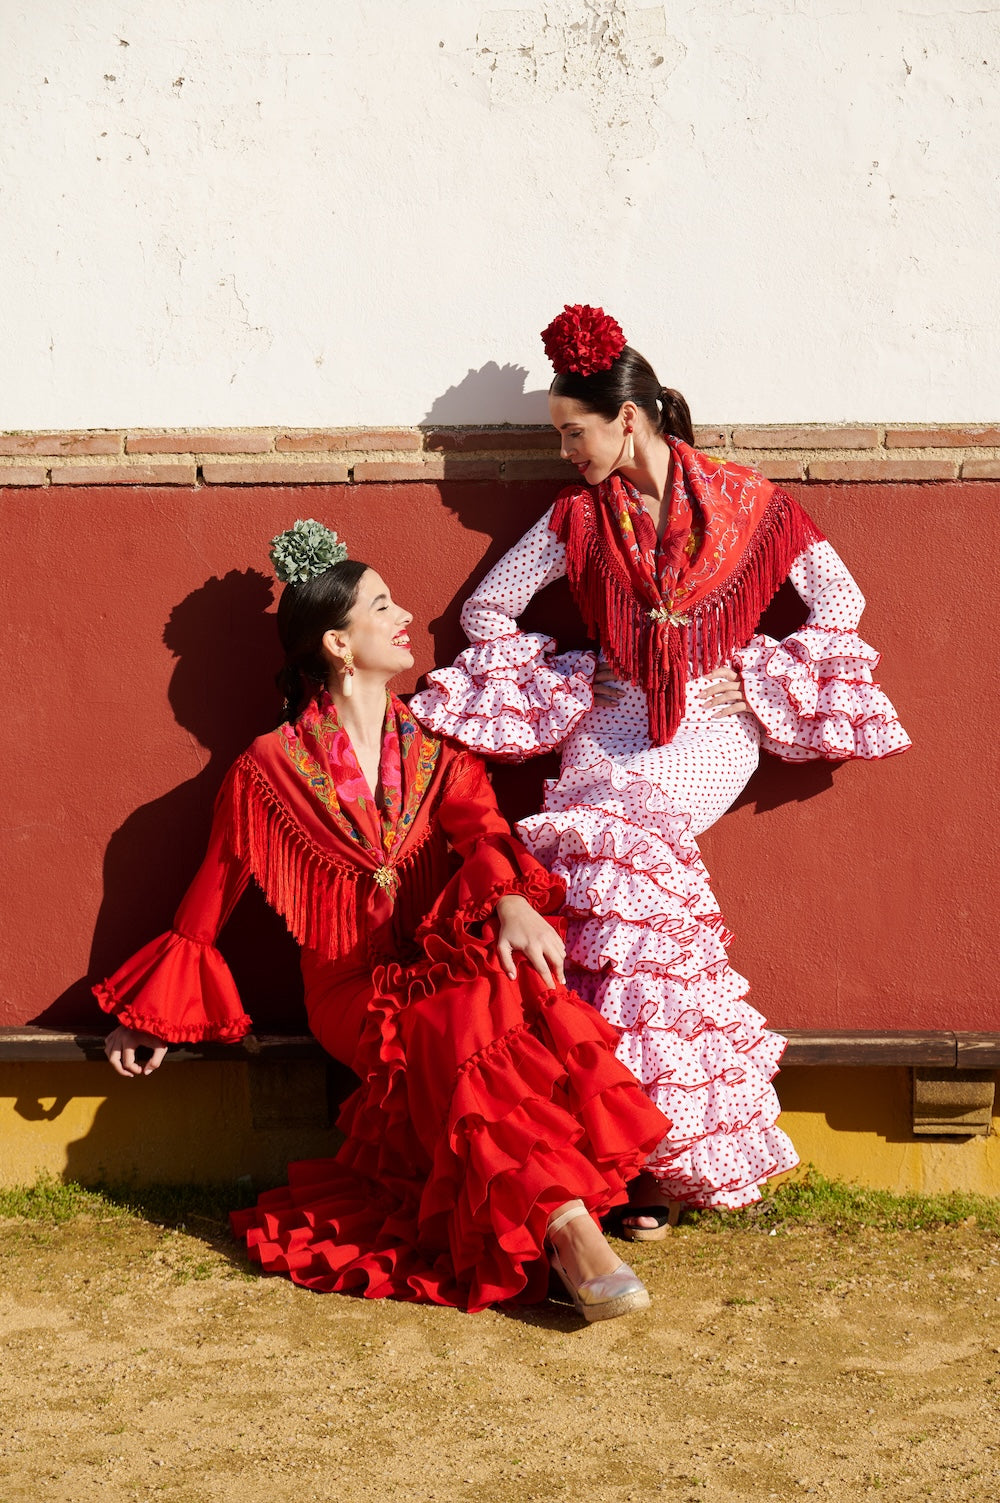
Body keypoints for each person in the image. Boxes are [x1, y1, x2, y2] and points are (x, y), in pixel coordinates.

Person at [410, 304, 911, 1238]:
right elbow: (489, 612)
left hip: (713, 731)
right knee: (601, 902)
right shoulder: (574, 519)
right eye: (560, 434)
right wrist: (575, 675)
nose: (568, 451)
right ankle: (616, 1149)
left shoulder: (752, 504)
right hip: (613, 719)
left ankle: (655, 1150)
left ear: (627, 419)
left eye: (574, 432)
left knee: (630, 867)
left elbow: (841, 599)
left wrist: (751, 671)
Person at [97, 519, 671, 1320]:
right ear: (338, 642)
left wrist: (509, 899)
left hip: (436, 965)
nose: (406, 618)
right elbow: (213, 891)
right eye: (383, 605)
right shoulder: (267, 768)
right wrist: (148, 1016)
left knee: (487, 999)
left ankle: (567, 1226)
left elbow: (484, 834)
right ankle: (578, 1229)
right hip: (350, 987)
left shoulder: (437, 751)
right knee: (467, 1015)